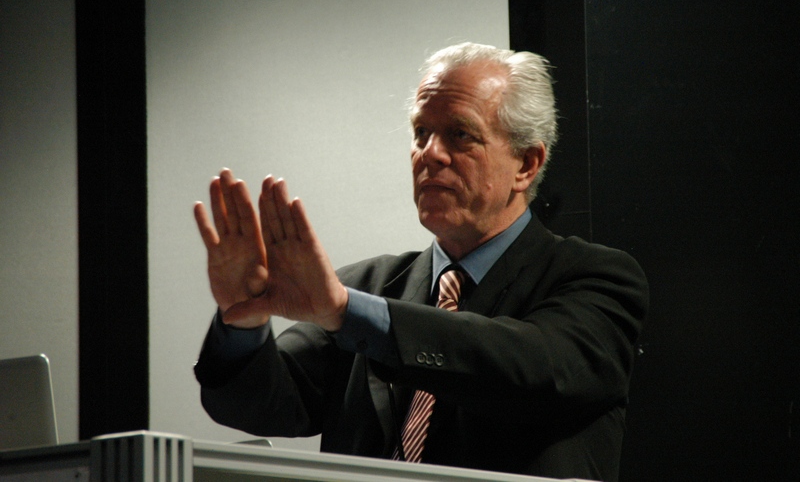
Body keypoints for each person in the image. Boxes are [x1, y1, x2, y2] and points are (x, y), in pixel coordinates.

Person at [193, 42, 648, 481]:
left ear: (526, 164)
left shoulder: (596, 278)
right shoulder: (366, 285)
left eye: (460, 134)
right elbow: (263, 405)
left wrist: (351, 314)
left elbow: (531, 368)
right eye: (421, 133)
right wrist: (244, 319)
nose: (430, 154)